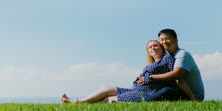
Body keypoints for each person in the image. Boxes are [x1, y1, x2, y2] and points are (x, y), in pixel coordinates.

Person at [61, 40, 195, 103]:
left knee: (109, 98)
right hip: (137, 89)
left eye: (155, 45)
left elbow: (176, 77)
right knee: (107, 87)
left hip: (147, 93)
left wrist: (191, 98)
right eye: (150, 47)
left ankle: (77, 104)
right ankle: (81, 102)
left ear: (161, 47)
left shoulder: (168, 59)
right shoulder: (151, 64)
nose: (153, 48)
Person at [137, 29, 204, 101]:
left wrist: (151, 77)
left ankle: (139, 101)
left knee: (166, 91)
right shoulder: (170, 57)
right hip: (178, 92)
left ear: (176, 40)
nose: (164, 42)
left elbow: (177, 74)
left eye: (167, 38)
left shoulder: (182, 54)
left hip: (191, 95)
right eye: (162, 40)